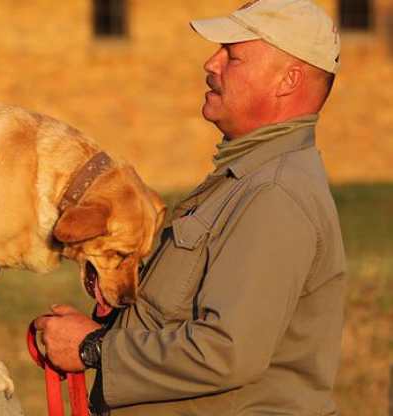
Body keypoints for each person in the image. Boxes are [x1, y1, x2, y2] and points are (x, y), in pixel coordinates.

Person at [34, 0, 346, 414]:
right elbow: (187, 320)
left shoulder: (274, 194)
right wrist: (108, 322)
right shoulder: (243, 180)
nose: (210, 63)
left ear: (287, 80)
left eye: (232, 55)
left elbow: (226, 352)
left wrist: (93, 348)